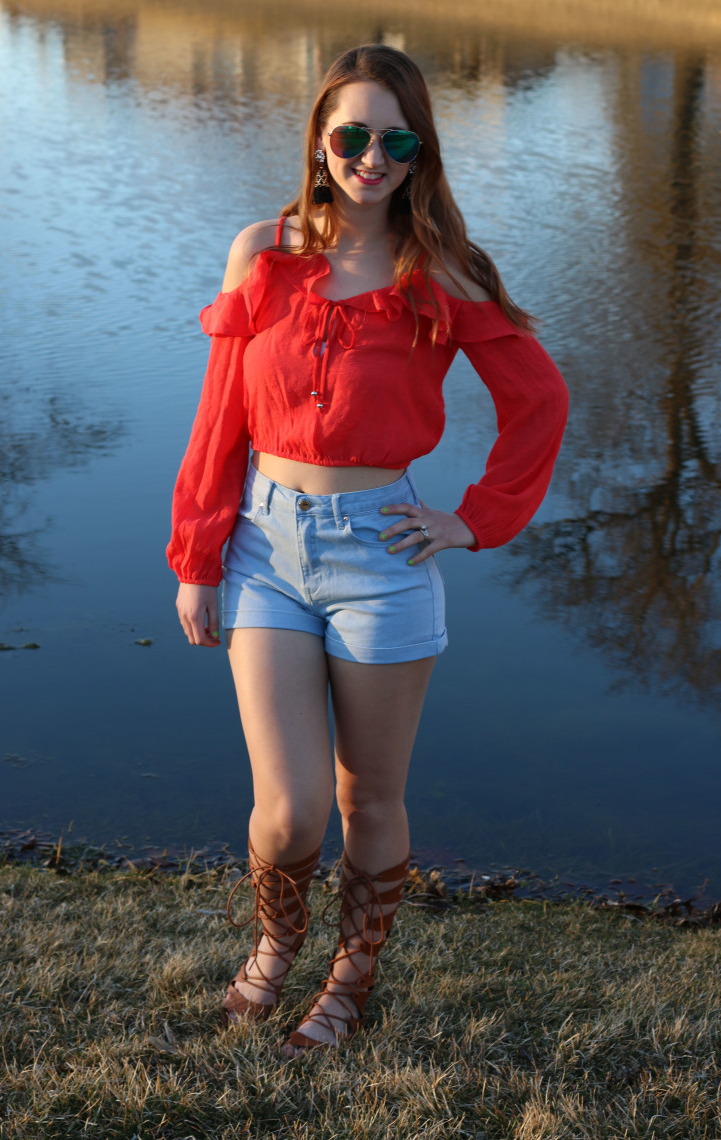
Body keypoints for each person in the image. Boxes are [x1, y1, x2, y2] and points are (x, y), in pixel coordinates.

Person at [167, 43, 568, 1056]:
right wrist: (198, 552)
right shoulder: (262, 251)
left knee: (368, 798)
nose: (370, 157)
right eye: (350, 135)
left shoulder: (439, 272)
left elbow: (538, 402)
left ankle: (348, 980)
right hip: (266, 545)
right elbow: (219, 416)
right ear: (319, 138)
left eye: (395, 138)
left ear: (418, 148)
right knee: (290, 812)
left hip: (384, 554)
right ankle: (275, 943)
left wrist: (473, 518)